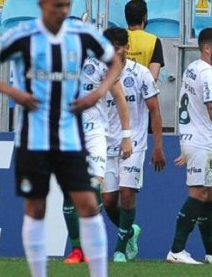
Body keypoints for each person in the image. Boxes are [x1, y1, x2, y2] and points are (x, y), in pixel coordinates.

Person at [0, 0, 121, 277]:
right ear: (42, 5)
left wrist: (98, 92)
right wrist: (13, 92)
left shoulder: (81, 34)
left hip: (70, 137)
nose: (63, 11)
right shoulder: (23, 35)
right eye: (57, 5)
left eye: (66, 5)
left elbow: (115, 62)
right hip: (33, 138)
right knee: (36, 208)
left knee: (88, 203)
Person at [167, 27, 212, 265]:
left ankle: (211, 252)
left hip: (197, 139)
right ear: (207, 49)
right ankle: (176, 250)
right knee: (199, 193)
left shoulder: (193, 67)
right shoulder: (208, 75)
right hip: (200, 141)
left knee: (211, 194)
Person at [63, 27, 134, 265]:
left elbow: (120, 99)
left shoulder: (101, 66)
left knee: (94, 187)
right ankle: (77, 250)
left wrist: (126, 135)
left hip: (95, 135)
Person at [99, 27, 166, 262]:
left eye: (116, 48)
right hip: (106, 144)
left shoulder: (141, 74)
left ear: (127, 48)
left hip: (134, 142)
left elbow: (154, 111)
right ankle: (130, 231)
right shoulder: (98, 73)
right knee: (108, 201)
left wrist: (158, 146)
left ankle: (119, 250)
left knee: (127, 193)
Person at [124, 0, 165, 82]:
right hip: (142, 89)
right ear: (144, 17)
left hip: (117, 88)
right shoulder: (154, 41)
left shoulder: (115, 38)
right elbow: (153, 77)